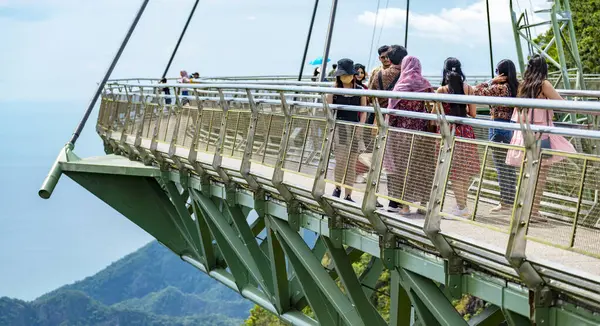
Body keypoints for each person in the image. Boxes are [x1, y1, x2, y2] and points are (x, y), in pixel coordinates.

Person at [505, 54, 576, 223]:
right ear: (544, 69)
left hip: (524, 134)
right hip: (541, 135)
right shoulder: (543, 84)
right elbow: (561, 104)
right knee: (540, 176)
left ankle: (524, 210)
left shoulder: (523, 86)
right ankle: (534, 212)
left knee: (526, 174)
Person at [385, 56, 436, 214]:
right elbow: (435, 104)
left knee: (403, 169)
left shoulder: (401, 86)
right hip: (422, 133)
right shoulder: (425, 84)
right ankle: (423, 205)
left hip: (402, 135)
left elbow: (391, 113)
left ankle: (405, 206)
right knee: (422, 169)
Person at [473, 59, 519, 213]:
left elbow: (475, 91)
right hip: (511, 128)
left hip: (498, 129)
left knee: (501, 167)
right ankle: (511, 201)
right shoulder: (516, 87)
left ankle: (506, 203)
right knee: (510, 167)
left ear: (500, 73)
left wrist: (490, 81)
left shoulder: (499, 87)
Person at [436, 57, 479, 218]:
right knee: (463, 171)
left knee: (453, 172)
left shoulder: (441, 91)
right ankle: (463, 206)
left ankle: (461, 207)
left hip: (449, 132)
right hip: (466, 132)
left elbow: (436, 113)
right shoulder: (468, 89)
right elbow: (473, 113)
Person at [326, 58, 367, 202]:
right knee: (340, 160)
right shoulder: (334, 90)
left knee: (352, 163)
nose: (346, 78)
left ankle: (348, 194)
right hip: (340, 129)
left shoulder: (360, 90)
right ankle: (337, 187)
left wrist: (360, 127)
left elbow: (364, 111)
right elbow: (328, 111)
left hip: (355, 129)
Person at [368, 45, 407, 109]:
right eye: (383, 57)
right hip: (384, 108)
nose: (386, 59)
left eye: (388, 56)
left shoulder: (379, 73)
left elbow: (370, 94)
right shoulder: (376, 72)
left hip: (386, 109)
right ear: (379, 58)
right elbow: (370, 91)